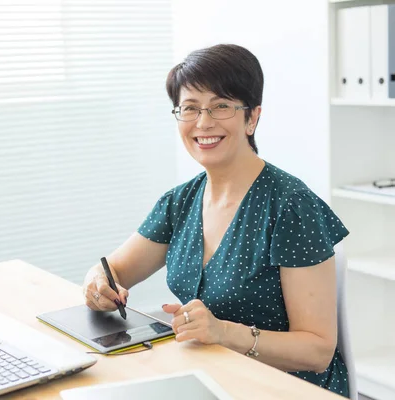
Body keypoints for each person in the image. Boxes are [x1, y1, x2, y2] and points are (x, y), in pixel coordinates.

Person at [82, 44, 349, 398]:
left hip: (285, 387)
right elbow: (112, 269)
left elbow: (317, 351)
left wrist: (224, 333)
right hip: (208, 376)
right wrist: (98, 284)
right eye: (190, 108)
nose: (203, 123)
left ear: (252, 117)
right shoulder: (180, 201)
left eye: (221, 106)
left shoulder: (290, 206)